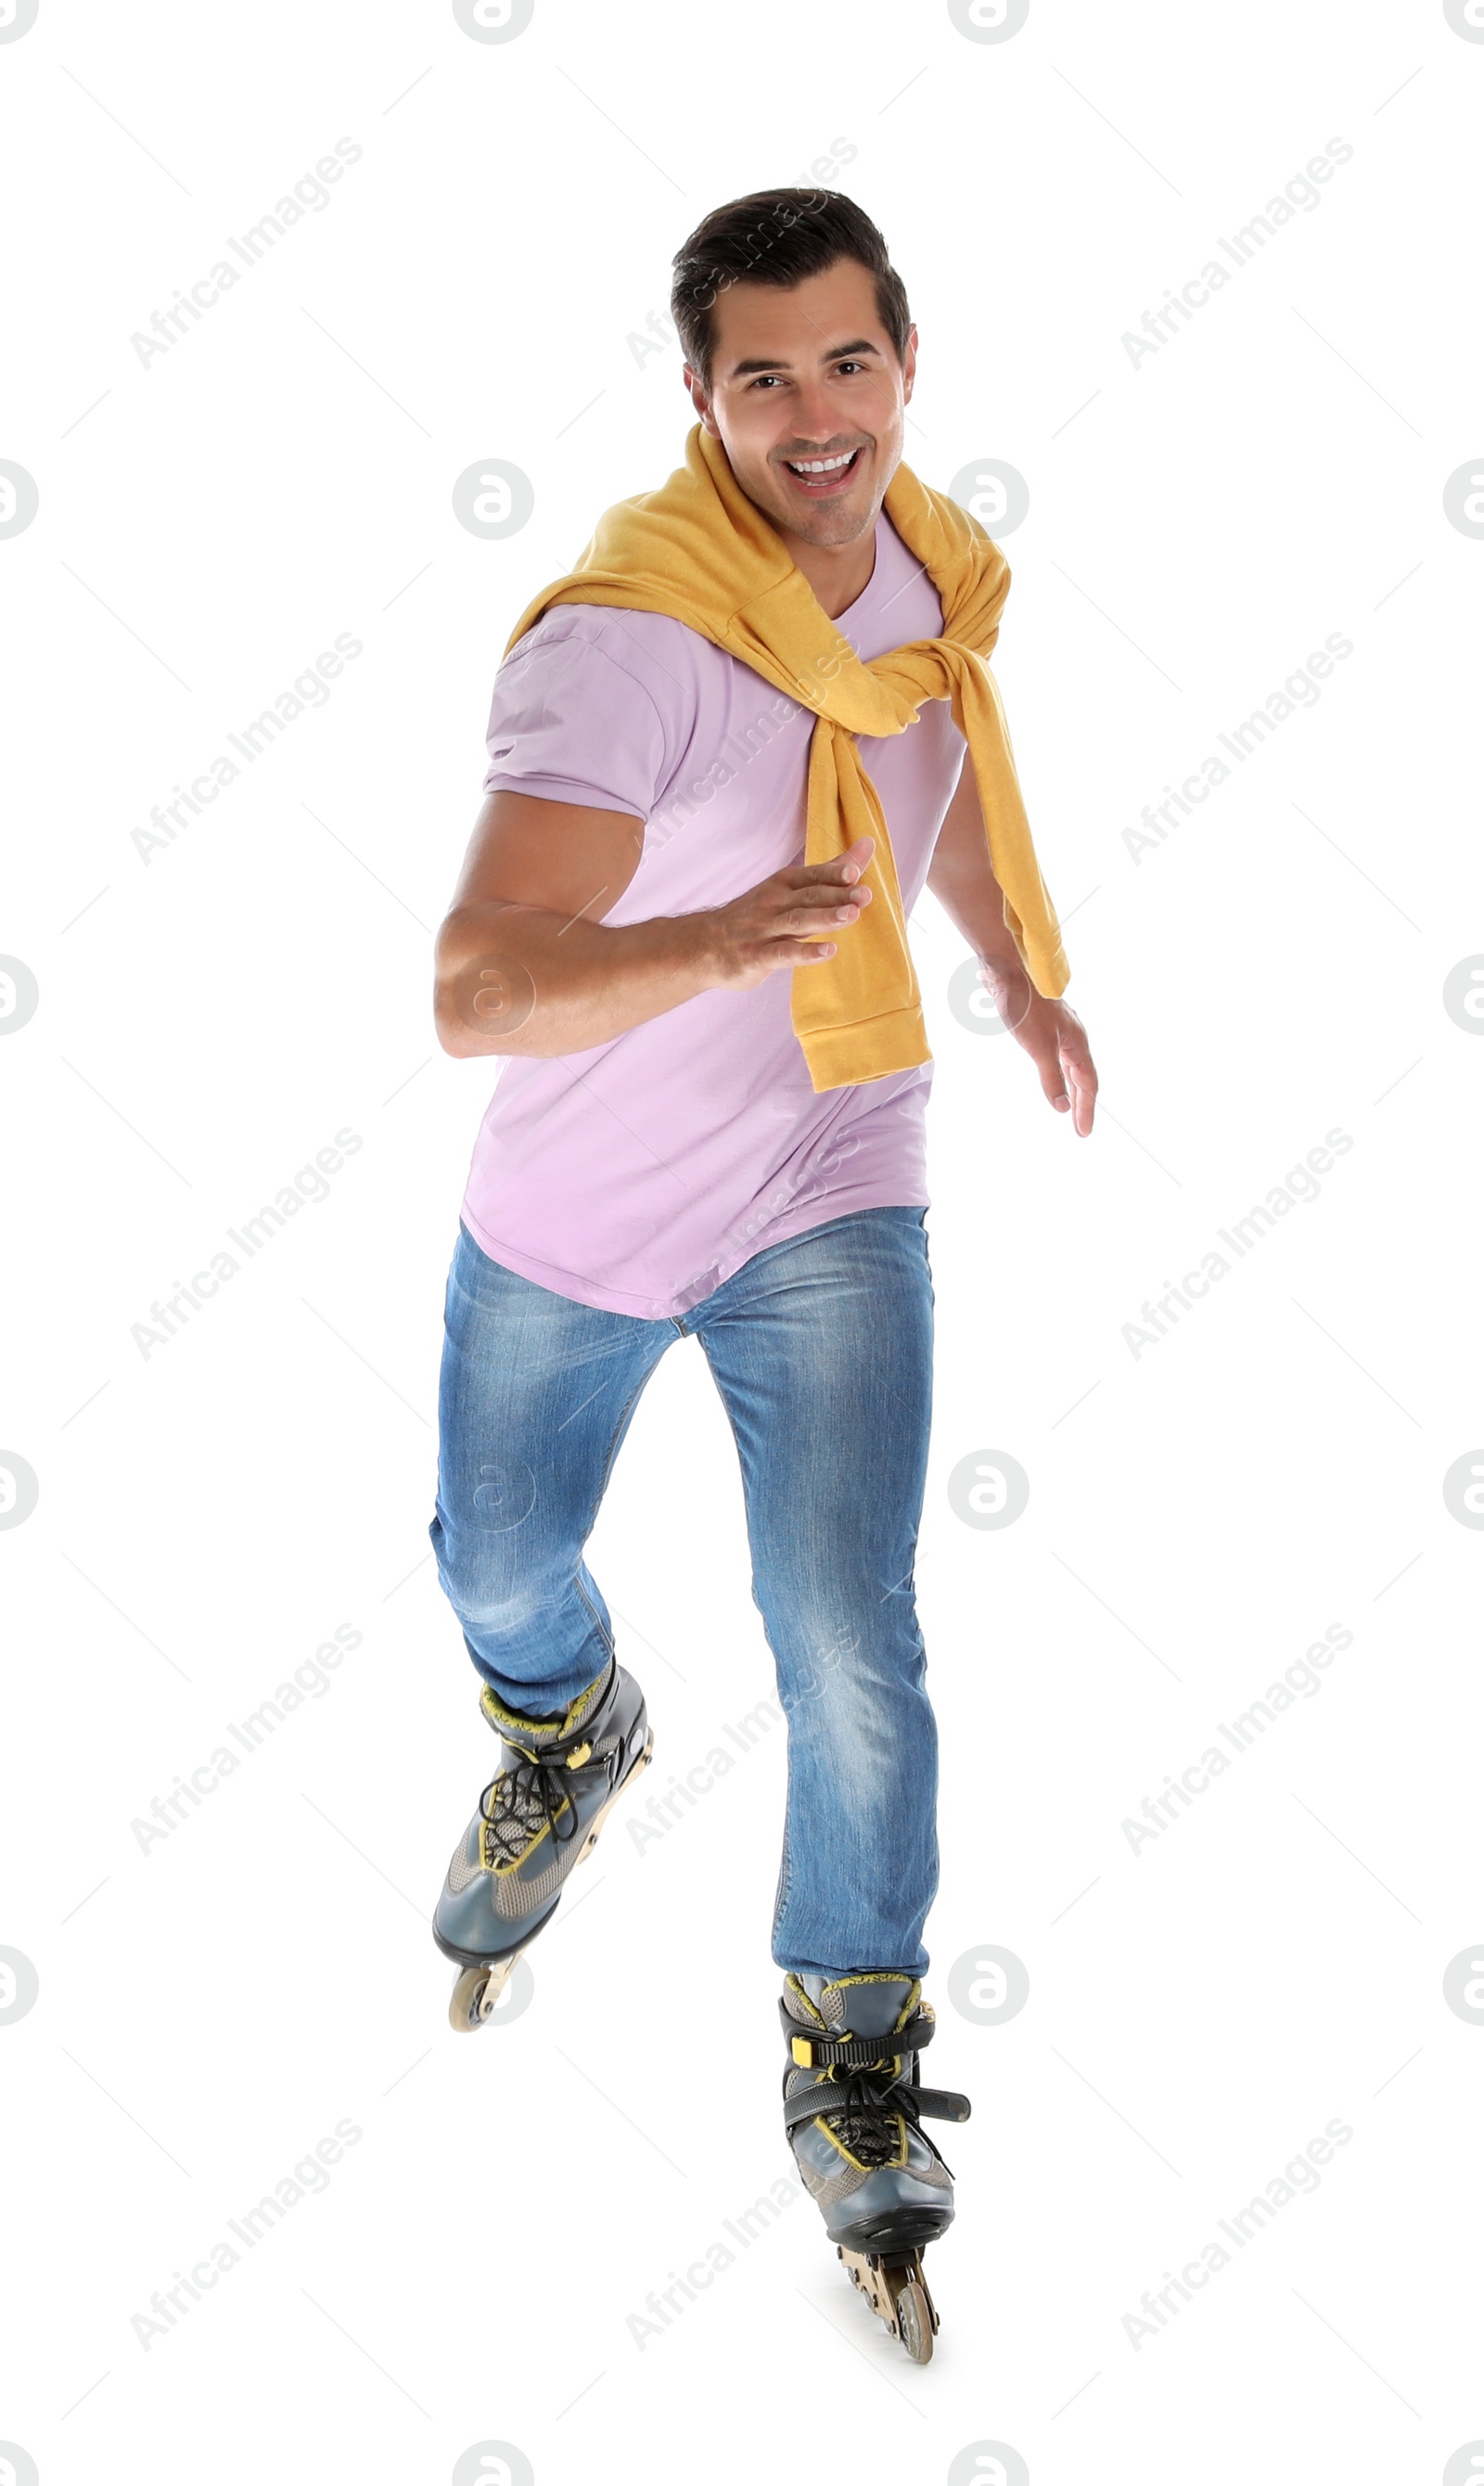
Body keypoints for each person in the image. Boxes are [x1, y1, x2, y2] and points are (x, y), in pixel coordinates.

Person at [426, 187, 1097, 2361]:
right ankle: (565, 1728)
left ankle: (852, 2039)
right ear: (696, 399)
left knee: (847, 1633)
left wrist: (1008, 971)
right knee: (495, 1554)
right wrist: (707, 942)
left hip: (835, 1156)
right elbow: (473, 986)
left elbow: (951, 777)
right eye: (761, 377)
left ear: (905, 362)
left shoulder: (920, 575)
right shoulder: (624, 642)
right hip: (584, 1209)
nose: (816, 415)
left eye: (848, 363)